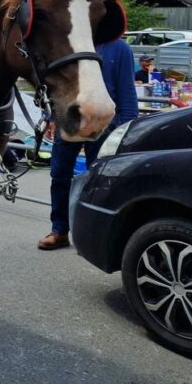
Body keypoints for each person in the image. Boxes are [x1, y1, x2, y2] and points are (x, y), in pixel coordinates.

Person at [39, 38, 139, 250]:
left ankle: (96, 235)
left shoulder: (119, 48)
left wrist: (127, 127)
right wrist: (50, 115)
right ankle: (59, 230)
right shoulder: (70, 41)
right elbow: (56, 84)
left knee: (100, 182)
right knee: (59, 177)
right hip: (69, 118)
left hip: (103, 123)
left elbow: (126, 89)